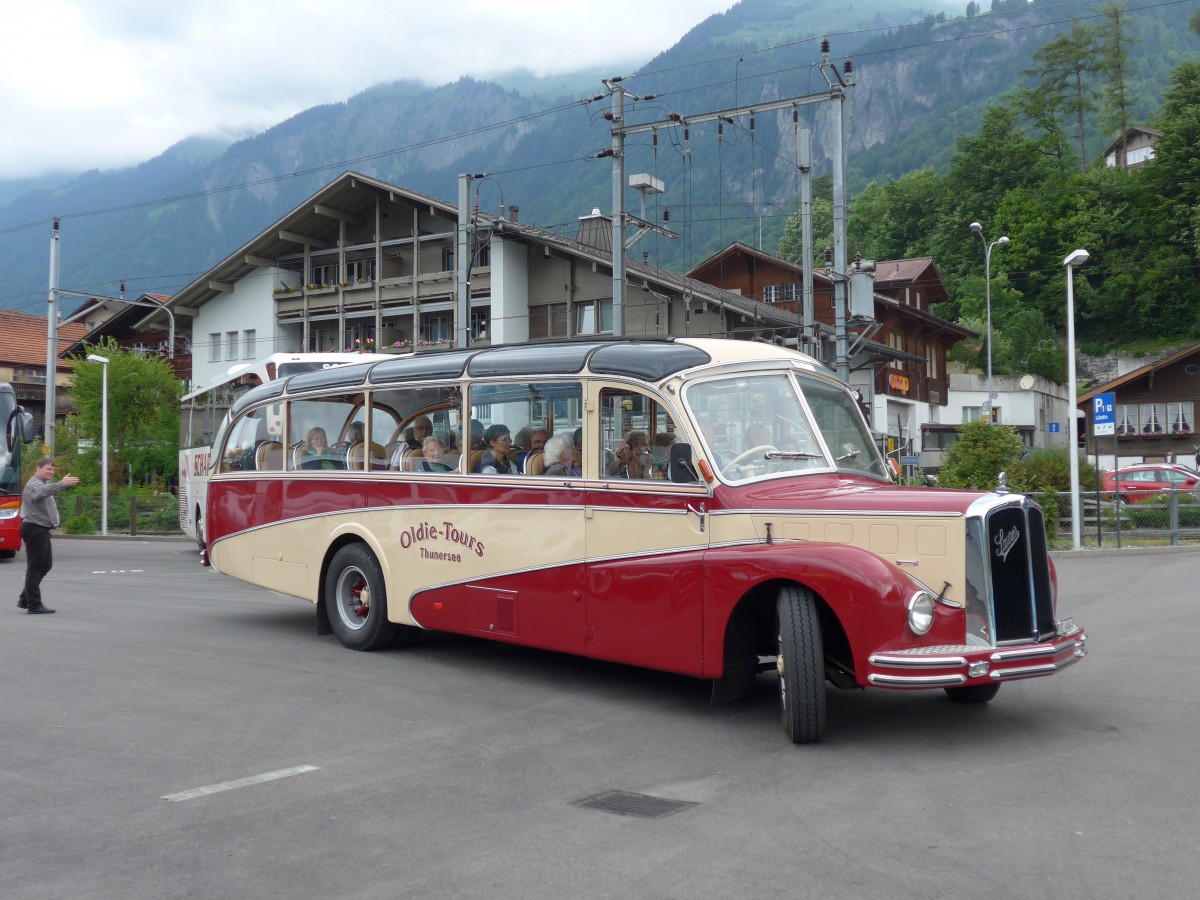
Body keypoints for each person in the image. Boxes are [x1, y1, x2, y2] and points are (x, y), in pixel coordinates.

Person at [18, 458, 80, 615]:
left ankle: (25, 598)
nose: (51, 472)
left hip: (41, 529)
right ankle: (33, 604)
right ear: (38, 469)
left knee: (45, 566)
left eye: (53, 470)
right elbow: (40, 494)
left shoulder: (41, 483)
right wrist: (61, 484)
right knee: (35, 568)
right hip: (34, 529)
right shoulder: (35, 484)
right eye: (48, 469)